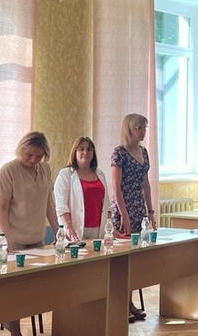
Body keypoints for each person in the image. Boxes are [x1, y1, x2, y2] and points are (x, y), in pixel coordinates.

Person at [0, 131, 57, 336]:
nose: (33, 160)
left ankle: (5, 320)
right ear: (21, 149)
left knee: (31, 289)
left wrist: (58, 230)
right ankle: (15, 335)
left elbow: (49, 203)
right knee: (15, 290)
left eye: (39, 156)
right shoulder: (8, 170)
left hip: (36, 239)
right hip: (14, 241)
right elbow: (1, 207)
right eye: (29, 155)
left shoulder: (45, 169)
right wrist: (6, 240)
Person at [109, 113, 154, 321]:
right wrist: (124, 214)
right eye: (139, 128)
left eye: (144, 128)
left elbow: (146, 184)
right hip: (123, 209)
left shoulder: (143, 152)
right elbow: (116, 187)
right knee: (122, 260)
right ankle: (120, 305)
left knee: (134, 260)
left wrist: (150, 211)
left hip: (139, 209)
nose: (142, 132)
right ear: (129, 129)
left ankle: (129, 302)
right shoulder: (119, 153)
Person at [55, 136, 111, 242]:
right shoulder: (65, 174)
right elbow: (61, 206)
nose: (85, 152)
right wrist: (69, 228)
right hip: (75, 230)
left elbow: (106, 204)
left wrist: (110, 226)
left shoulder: (100, 174)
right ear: (74, 152)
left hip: (99, 230)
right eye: (81, 149)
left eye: (89, 149)